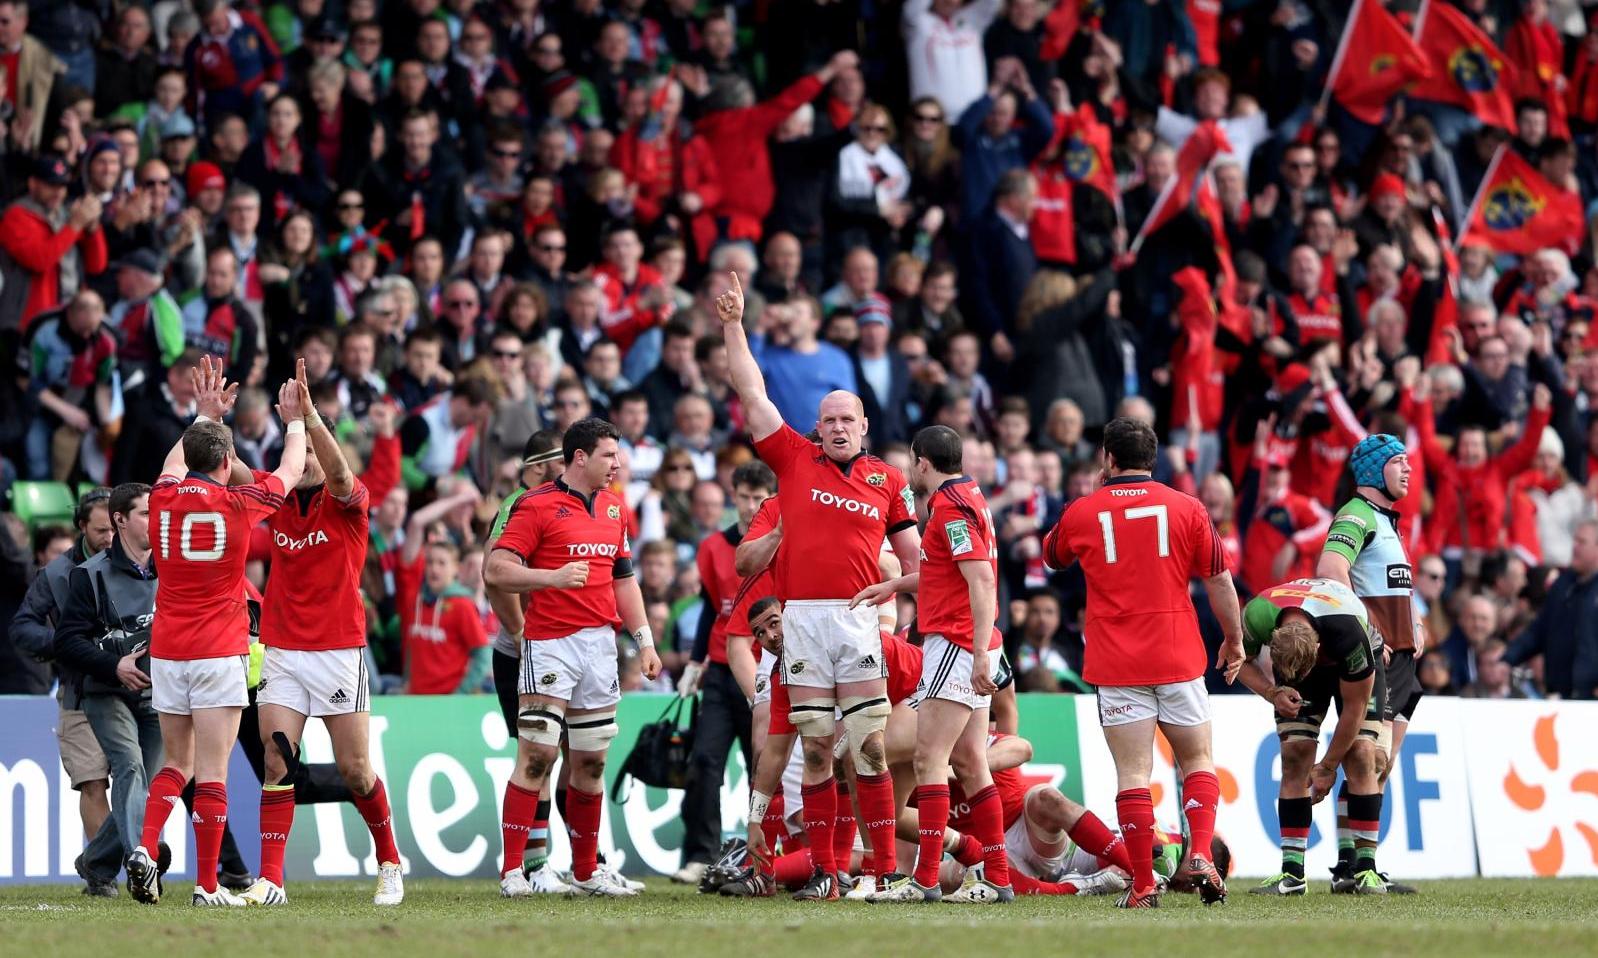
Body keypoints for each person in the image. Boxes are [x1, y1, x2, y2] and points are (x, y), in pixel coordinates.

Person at [717, 272, 921, 901]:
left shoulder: (889, 481)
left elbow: (919, 560)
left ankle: (883, 871)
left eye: (846, 419)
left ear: (863, 425)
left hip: (857, 623)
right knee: (815, 752)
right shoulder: (791, 458)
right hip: (802, 618)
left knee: (869, 748)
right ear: (817, 425)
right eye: (827, 419)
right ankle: (830, 870)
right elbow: (751, 390)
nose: (836, 427)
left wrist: (891, 593)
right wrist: (733, 324)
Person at [127, 358, 308, 907]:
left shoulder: (160, 499)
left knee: (173, 763)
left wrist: (201, 417)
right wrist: (296, 421)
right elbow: (293, 470)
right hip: (217, 650)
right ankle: (207, 886)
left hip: (168, 650)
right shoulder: (238, 504)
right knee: (212, 771)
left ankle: (144, 846)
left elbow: (171, 464)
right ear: (228, 462)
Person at [1041, 416, 1243, 908]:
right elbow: (1218, 579)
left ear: (1108, 459)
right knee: (1196, 759)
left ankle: (1144, 884)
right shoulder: (1188, 508)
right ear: (1153, 460)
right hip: (1178, 654)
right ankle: (1198, 852)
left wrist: (1091, 497)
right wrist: (1235, 639)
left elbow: (1052, 556)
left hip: (1116, 663)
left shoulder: (1084, 511)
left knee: (1132, 773)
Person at [240, 362, 403, 908]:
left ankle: (389, 862)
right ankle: (272, 881)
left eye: (312, 450)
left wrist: (309, 417)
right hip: (283, 651)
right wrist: (208, 421)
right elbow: (235, 474)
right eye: (299, 451)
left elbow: (336, 475)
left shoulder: (348, 504)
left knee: (357, 771)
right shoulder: (278, 501)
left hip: (338, 651)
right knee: (276, 762)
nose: (305, 461)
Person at [486, 417, 663, 897]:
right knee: (538, 755)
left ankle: (586, 871)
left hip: (601, 648)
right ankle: (512, 873)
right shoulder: (535, 505)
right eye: (609, 455)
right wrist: (551, 578)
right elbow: (497, 570)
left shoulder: (614, 509)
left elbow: (623, 580)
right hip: (548, 643)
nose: (618, 464)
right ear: (580, 457)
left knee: (590, 764)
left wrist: (644, 641)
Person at [852, 424, 1010, 903]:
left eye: (911, 463)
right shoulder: (969, 496)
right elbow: (948, 574)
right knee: (969, 760)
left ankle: (922, 881)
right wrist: (895, 587)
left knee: (928, 758)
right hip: (973, 641)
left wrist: (978, 652)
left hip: (958, 644)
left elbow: (981, 582)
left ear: (922, 462)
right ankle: (998, 876)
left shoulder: (950, 507)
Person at [1317, 433, 1422, 896]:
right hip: (1375, 657)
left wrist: (1414, 619)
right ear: (1375, 469)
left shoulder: (1386, 521)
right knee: (1368, 756)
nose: (1408, 471)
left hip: (1401, 658)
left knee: (1382, 764)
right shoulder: (1356, 514)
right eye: (1400, 462)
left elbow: (1391, 583)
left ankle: (1349, 862)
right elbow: (1331, 568)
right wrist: (1365, 627)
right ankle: (1361, 867)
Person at [1235, 577, 1386, 897]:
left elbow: (1354, 710)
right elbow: (1233, 660)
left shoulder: (1350, 637)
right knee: (1294, 756)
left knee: (1360, 754)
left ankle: (1366, 869)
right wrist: (1271, 691)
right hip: (1301, 653)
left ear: (1317, 649)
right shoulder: (1256, 616)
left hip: (1358, 652)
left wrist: (1328, 766)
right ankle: (1292, 874)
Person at [674, 459, 776, 884]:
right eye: (745, 497)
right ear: (733, 497)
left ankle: (765, 853)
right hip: (720, 669)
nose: (752, 506)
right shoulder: (713, 547)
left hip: (769, 666)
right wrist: (695, 662)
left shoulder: (778, 545)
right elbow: (711, 611)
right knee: (704, 761)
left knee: (763, 765)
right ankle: (702, 853)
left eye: (759, 498)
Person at [12, 488, 115, 895]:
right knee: (92, 781)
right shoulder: (56, 574)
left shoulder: (144, 563)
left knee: (137, 781)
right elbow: (23, 627)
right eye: (102, 529)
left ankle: (111, 858)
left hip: (136, 691)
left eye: (116, 526)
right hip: (79, 694)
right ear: (82, 528)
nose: (111, 536)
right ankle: (103, 876)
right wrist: (65, 643)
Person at [482, 428, 570, 894]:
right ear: (541, 466)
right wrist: (518, 631)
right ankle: (530, 865)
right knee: (535, 757)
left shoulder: (563, 503)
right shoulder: (520, 503)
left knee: (560, 758)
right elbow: (494, 575)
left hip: (563, 649)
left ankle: (567, 863)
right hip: (526, 652)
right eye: (564, 460)